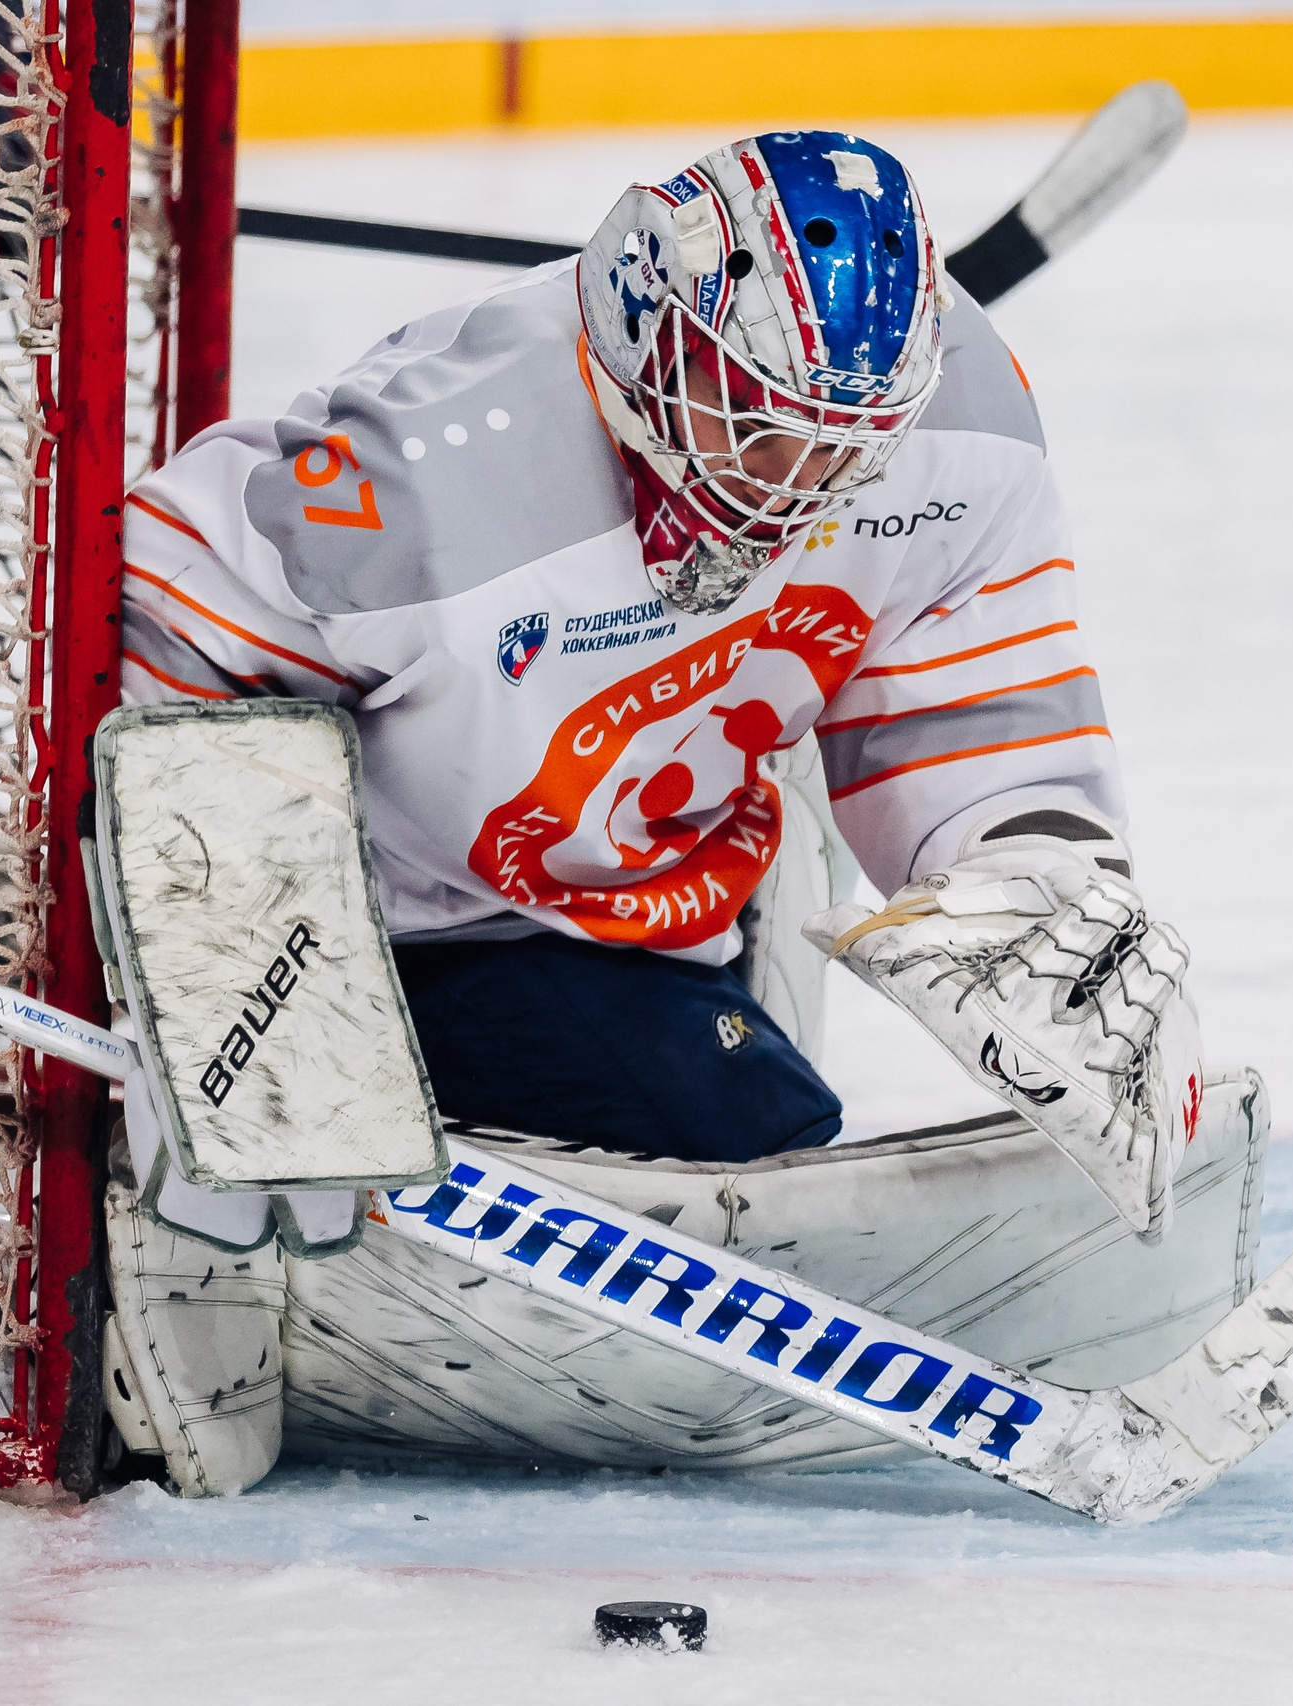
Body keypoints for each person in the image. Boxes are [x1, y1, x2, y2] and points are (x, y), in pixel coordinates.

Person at [117, 130, 1156, 1166]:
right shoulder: (434, 471)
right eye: (755, 418)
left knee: (756, 1125)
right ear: (647, 336)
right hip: (400, 929)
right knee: (749, 1143)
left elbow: (962, 703)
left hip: (670, 893)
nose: (792, 482)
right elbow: (175, 592)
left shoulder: (960, 433)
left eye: (844, 442)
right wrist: (236, 996)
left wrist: (1037, 878)